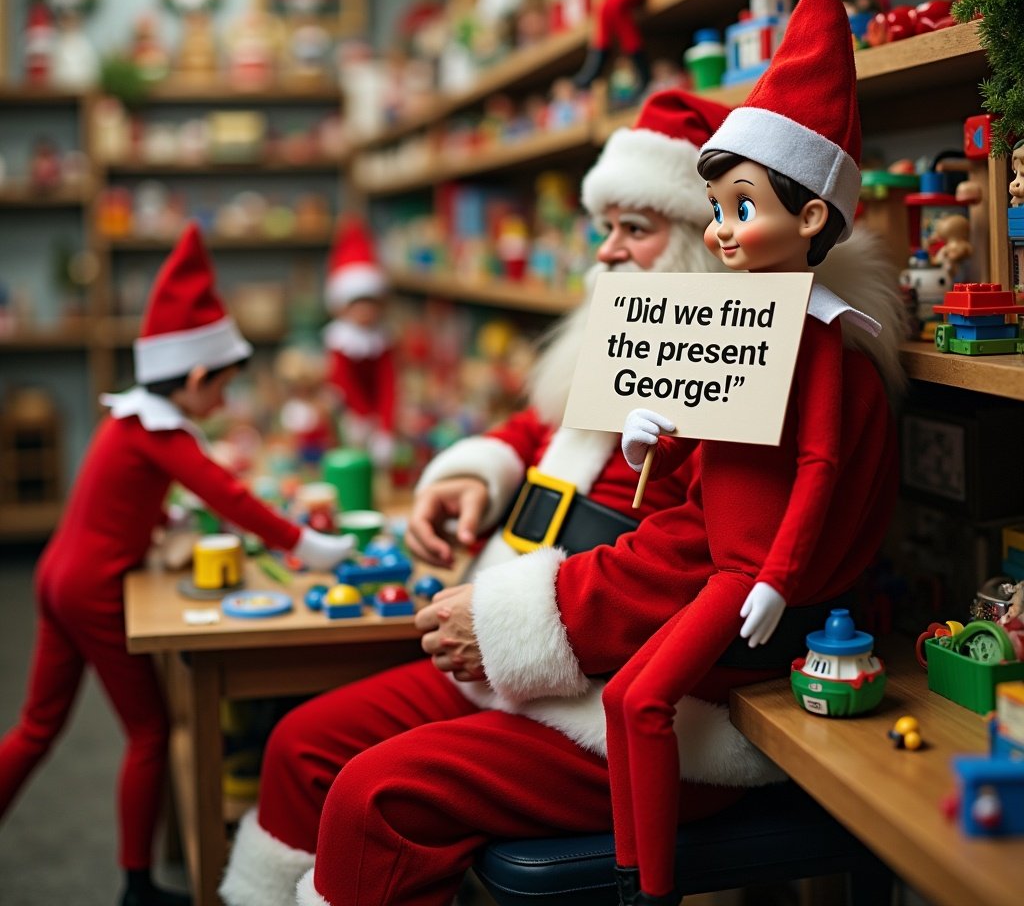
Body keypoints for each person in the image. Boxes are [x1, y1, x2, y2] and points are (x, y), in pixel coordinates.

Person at [219, 95, 904, 906]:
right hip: (546, 656)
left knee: (378, 797)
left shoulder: (773, 358)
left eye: (634, 229)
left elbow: (710, 556)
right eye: (603, 226)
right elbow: (553, 428)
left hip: (667, 697)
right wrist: (478, 473)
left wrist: (514, 623)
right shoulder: (643, 330)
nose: (607, 251)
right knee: (303, 745)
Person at [604, 0, 898, 905]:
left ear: (811, 216)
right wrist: (651, 432)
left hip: (744, 573)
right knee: (623, 697)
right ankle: (629, 869)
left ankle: (655, 890)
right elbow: (714, 425)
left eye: (741, 209)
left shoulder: (823, 340)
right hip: (713, 557)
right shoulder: (730, 317)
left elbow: (820, 465)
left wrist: (776, 579)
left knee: (643, 700)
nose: (723, 232)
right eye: (719, 211)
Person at [0, 224, 355, 906]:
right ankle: (135, 884)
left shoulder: (130, 421)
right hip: (92, 590)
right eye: (221, 390)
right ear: (194, 379)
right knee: (150, 730)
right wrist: (304, 547)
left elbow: (116, 498)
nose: (222, 404)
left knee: (37, 727)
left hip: (56, 575)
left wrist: (158, 520)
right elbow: (228, 494)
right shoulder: (163, 432)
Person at [322, 212, 397, 467]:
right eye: (358, 305)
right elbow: (342, 381)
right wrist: (363, 416)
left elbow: (388, 383)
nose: (365, 313)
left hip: (374, 415)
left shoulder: (382, 340)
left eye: (371, 304)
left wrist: (385, 424)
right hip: (349, 412)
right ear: (343, 306)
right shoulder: (340, 341)